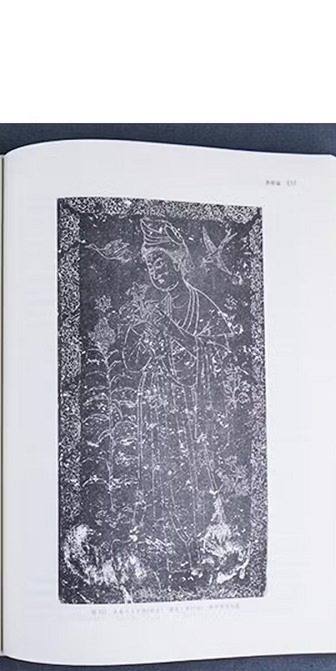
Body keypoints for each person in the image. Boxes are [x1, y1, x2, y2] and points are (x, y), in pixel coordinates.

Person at [122, 218, 232, 582]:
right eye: (151, 267)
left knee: (189, 471)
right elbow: (139, 359)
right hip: (156, 402)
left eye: (162, 264)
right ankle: (162, 549)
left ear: (178, 264)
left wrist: (171, 332)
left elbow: (217, 352)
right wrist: (139, 336)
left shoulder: (199, 304)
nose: (157, 273)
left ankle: (197, 549)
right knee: (158, 471)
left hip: (188, 406)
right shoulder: (160, 308)